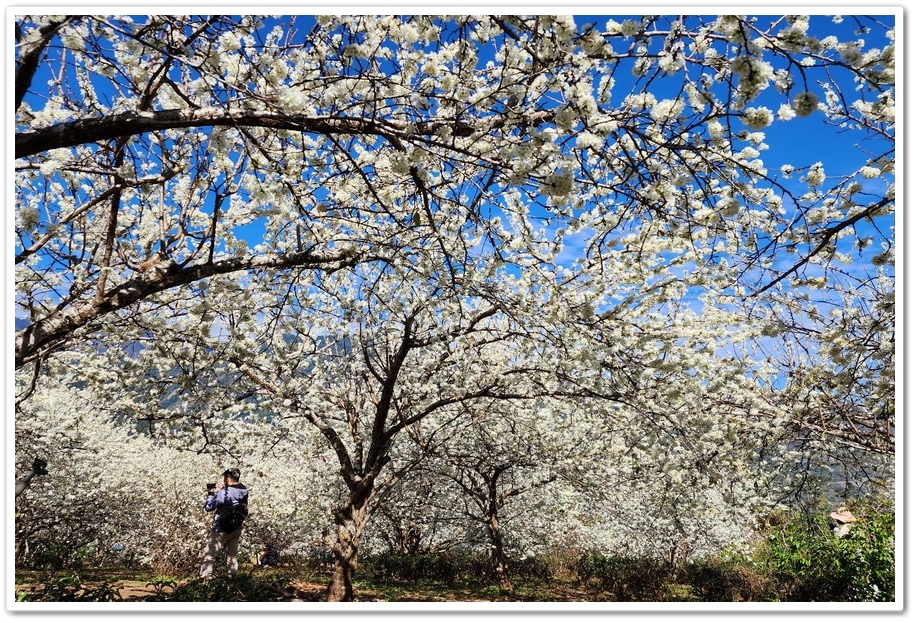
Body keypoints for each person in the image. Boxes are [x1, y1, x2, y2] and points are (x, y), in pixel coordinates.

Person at [199, 468, 249, 578]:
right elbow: (233, 495)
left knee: (209, 555)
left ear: (228, 479)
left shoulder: (223, 493)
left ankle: (205, 579)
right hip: (236, 527)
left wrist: (211, 494)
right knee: (232, 556)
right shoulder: (243, 490)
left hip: (221, 528)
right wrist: (224, 489)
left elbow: (209, 507)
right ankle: (232, 579)